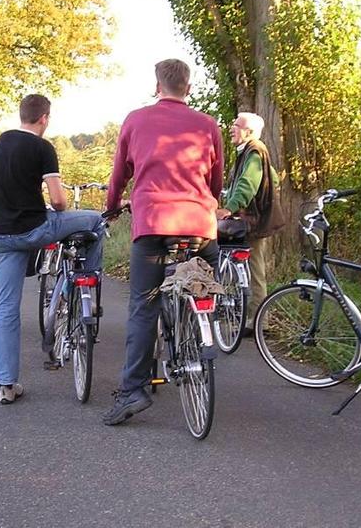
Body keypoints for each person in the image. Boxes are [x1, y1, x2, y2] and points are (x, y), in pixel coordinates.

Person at [102, 59, 224, 425]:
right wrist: (207, 203)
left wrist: (111, 208)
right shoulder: (207, 125)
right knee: (203, 287)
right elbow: (215, 181)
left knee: (144, 306)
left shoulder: (136, 120)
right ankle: (200, 327)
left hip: (153, 223)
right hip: (199, 226)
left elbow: (119, 175)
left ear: (157, 86)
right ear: (188, 88)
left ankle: (133, 391)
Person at [0, 94, 106, 405]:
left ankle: (6, 384)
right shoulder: (43, 147)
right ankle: (88, 283)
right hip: (34, 230)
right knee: (95, 221)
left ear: (22, 115)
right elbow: (58, 201)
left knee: (7, 309)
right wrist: (59, 205)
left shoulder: (2, 142)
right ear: (44, 118)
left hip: (0, 235)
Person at [216, 112, 285, 333]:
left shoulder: (254, 151)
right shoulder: (253, 151)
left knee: (255, 270)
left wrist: (230, 207)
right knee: (253, 269)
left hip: (252, 223)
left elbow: (247, 184)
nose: (232, 128)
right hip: (254, 219)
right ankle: (252, 318)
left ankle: (258, 322)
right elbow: (272, 177)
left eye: (237, 125)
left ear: (250, 132)